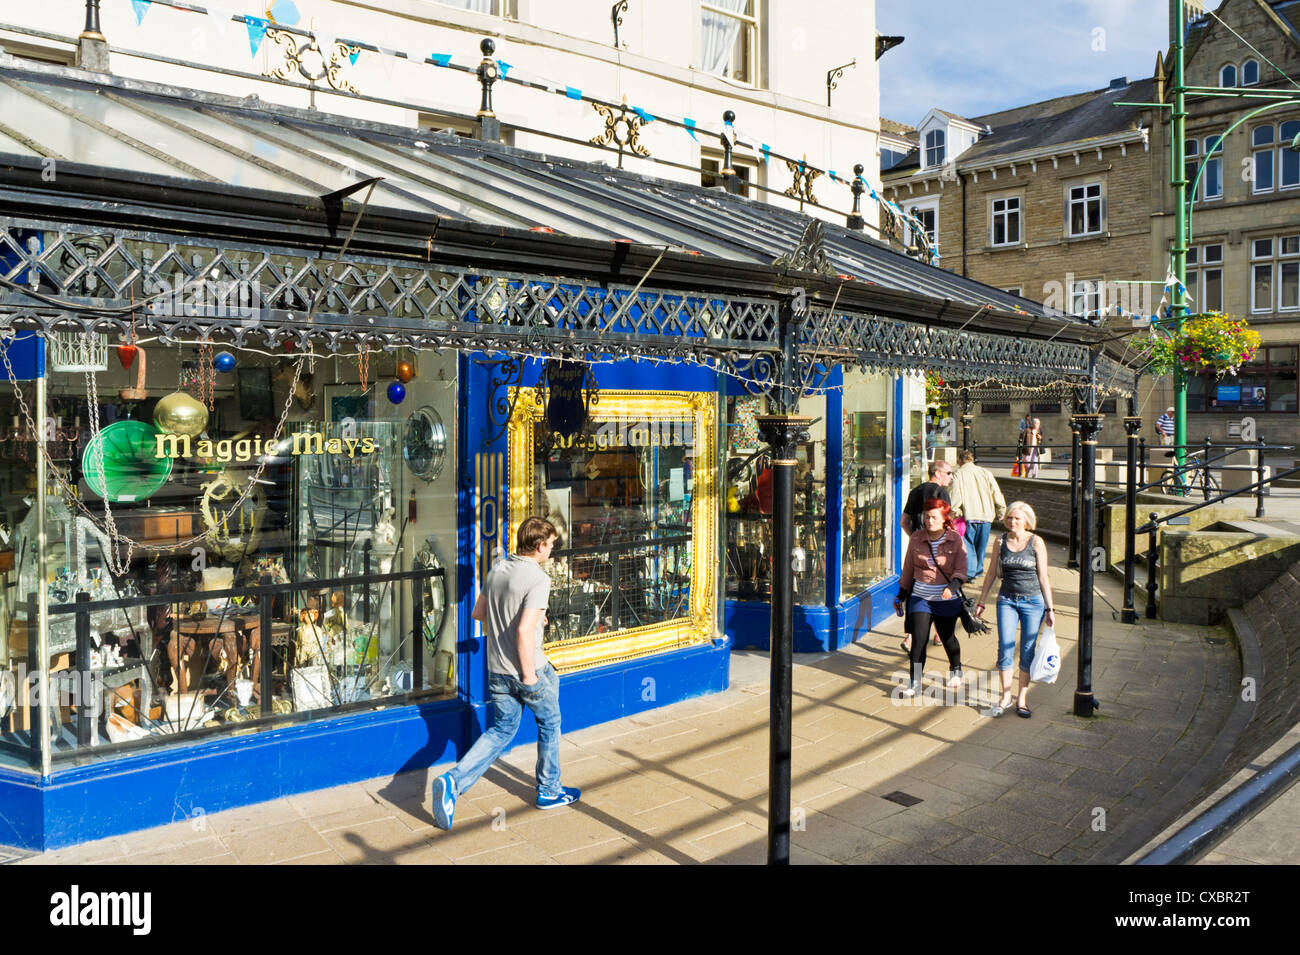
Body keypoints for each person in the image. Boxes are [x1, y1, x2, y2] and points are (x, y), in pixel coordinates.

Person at [431, 517, 579, 830]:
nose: (551, 550)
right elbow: (524, 631)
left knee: (500, 730)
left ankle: (452, 782)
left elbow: (479, 613)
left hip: (497, 671)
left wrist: (535, 619)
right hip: (528, 669)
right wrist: (529, 677)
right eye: (550, 545)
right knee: (550, 723)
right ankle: (550, 792)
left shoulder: (498, 568)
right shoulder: (538, 578)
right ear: (540, 547)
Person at [976, 501, 1056, 718]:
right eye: (1009, 517)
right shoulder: (1000, 541)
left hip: (1033, 602)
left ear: (1027, 521)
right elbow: (991, 573)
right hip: (1007, 600)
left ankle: (1022, 698)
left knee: (1028, 650)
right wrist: (981, 601)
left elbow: (1043, 576)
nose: (1012, 521)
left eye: (1017, 518)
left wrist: (1050, 609)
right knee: (1005, 648)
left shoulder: (1036, 542)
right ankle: (1005, 696)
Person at [894, 498, 967, 692]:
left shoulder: (955, 539)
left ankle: (956, 668)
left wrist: (952, 586)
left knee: (947, 637)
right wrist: (901, 595)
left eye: (934, 517)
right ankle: (915, 682)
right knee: (918, 640)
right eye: (926, 517)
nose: (929, 521)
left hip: (945, 599)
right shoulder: (917, 538)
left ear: (944, 519)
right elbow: (908, 569)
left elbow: (961, 569)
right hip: (920, 598)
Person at [948, 449, 1006, 578]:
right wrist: (1001, 510)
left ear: (959, 461)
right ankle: (978, 571)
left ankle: (970, 573)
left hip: (969, 515)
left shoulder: (958, 474)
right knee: (981, 546)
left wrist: (954, 510)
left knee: (968, 545)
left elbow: (955, 494)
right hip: (986, 516)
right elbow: (996, 492)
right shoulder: (986, 473)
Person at [900, 460, 954, 534]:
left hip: (919, 541)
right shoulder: (941, 492)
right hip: (937, 541)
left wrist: (914, 537)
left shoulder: (915, 491)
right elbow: (948, 521)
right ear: (937, 473)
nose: (951, 477)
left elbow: (904, 522)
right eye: (948, 473)